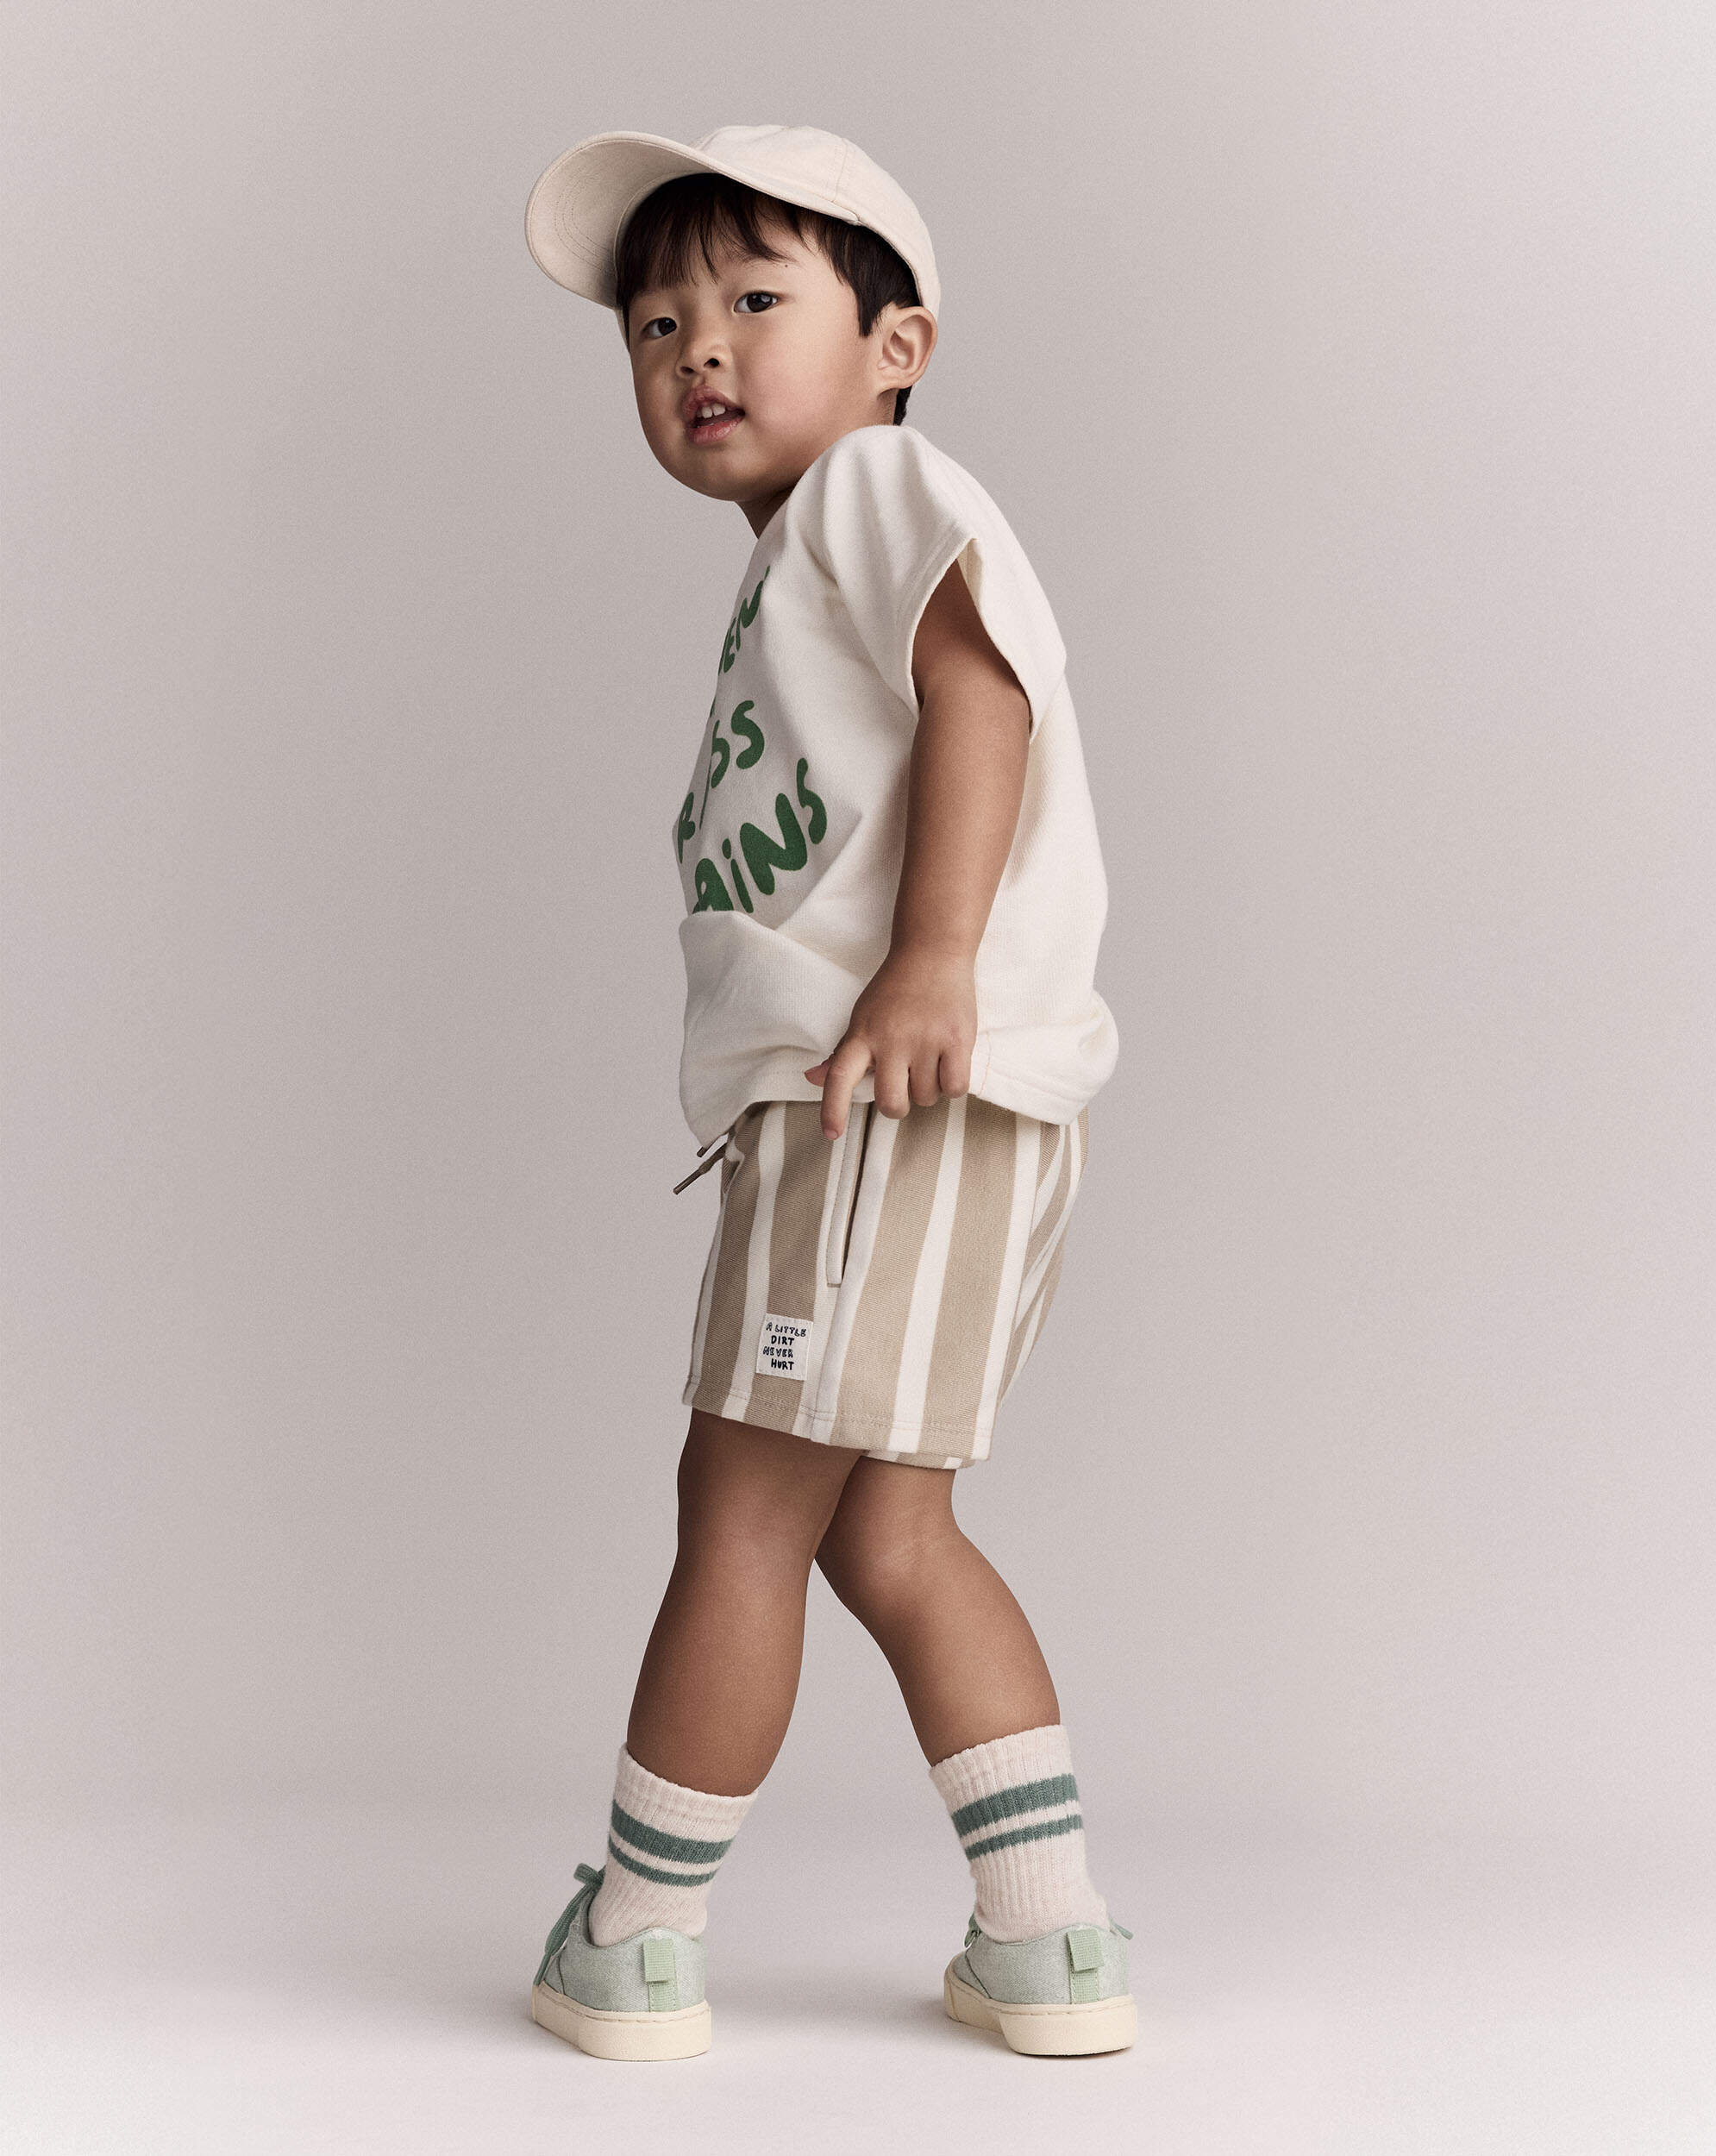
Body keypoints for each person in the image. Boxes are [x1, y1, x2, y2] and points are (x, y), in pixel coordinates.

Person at [520, 125, 1130, 2060]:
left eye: (754, 298)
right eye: (654, 323)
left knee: (741, 1510)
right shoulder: (802, 558)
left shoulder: (874, 488)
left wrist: (931, 956)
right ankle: (1046, 1942)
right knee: (887, 1535)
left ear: (896, 345)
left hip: (883, 1091)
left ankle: (634, 1935)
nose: (696, 345)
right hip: (923, 1105)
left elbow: (983, 692)